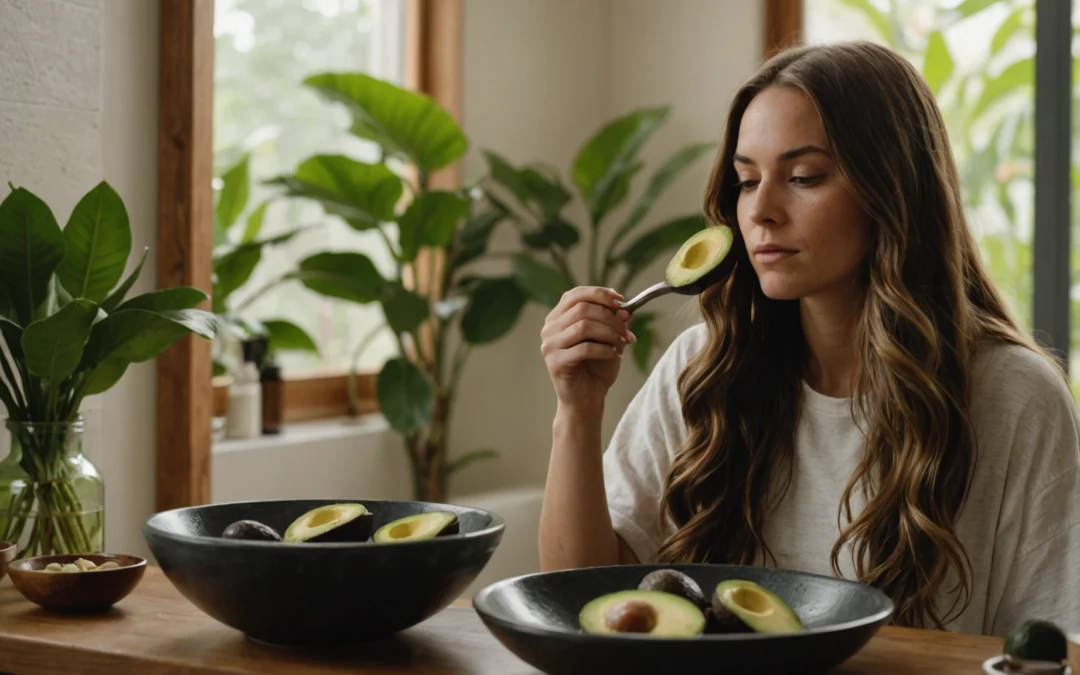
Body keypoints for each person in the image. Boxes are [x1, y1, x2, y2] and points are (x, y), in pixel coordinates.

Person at [537, 40, 1080, 638]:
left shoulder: (1015, 399)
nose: (761, 210)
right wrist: (577, 411)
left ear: (892, 191)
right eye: (746, 181)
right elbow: (584, 601)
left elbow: (1052, 647)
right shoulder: (702, 367)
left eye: (803, 177)